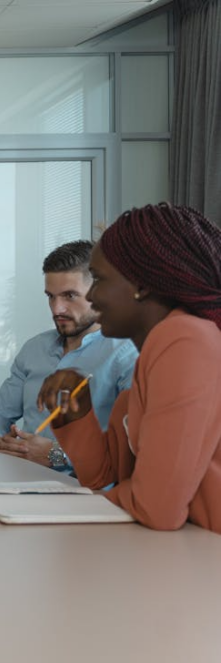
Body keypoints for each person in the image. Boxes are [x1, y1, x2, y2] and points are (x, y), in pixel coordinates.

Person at [40, 204, 221, 533]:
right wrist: (75, 415)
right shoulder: (154, 351)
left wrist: (75, 505)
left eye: (99, 279)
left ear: (143, 284)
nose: (92, 296)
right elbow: (101, 476)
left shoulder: (185, 338)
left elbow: (156, 508)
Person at [0, 240, 138, 472]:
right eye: (51, 296)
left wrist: (56, 454)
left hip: (84, 493)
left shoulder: (126, 355)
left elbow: (131, 449)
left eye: (69, 296)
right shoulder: (34, 349)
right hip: (19, 481)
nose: (57, 309)